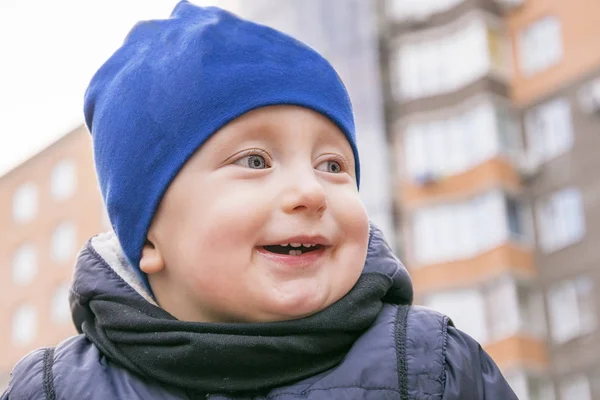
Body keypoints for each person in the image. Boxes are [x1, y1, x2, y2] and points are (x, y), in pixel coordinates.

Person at [2, 2, 518, 399]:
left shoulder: (431, 365)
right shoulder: (54, 390)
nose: (310, 192)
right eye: (255, 161)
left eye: (333, 166)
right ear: (149, 238)